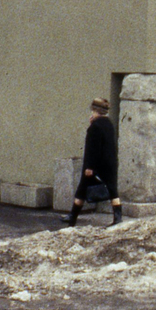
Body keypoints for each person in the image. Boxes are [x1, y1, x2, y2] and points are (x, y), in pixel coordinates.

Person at [65, 97, 123, 227]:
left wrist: (90, 167)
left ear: (94, 110)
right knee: (113, 189)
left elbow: (93, 148)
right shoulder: (109, 124)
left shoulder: (95, 127)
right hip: (110, 163)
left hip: (95, 165)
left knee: (82, 189)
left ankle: (72, 217)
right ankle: (118, 217)